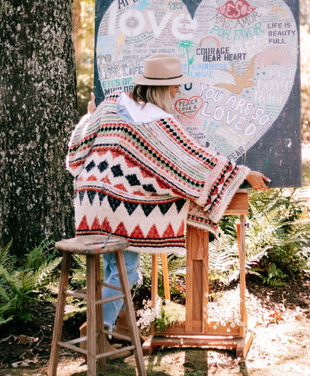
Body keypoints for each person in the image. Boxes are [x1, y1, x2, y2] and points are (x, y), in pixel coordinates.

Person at [66, 53, 270, 336]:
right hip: (120, 205)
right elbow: (194, 160)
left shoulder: (111, 102)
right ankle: (98, 330)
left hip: (91, 198)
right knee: (128, 271)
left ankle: (109, 326)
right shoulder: (159, 122)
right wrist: (242, 173)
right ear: (161, 88)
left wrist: (90, 114)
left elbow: (79, 144)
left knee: (113, 266)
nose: (178, 91)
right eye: (174, 86)